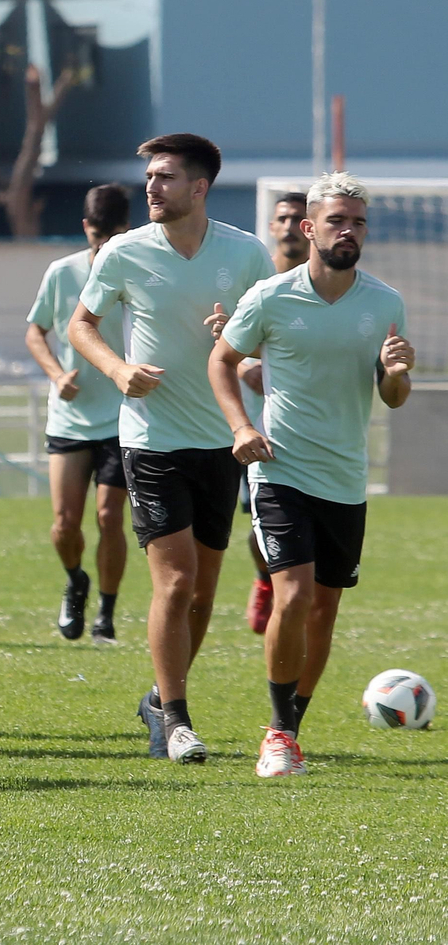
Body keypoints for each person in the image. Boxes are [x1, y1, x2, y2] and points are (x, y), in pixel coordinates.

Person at [69, 133, 273, 764]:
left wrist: (237, 341)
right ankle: (179, 721)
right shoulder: (125, 252)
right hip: (151, 439)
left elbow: (273, 339)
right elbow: (82, 325)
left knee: (205, 593)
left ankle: (160, 697)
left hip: (224, 441)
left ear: (199, 188)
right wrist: (116, 370)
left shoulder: (246, 255)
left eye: (164, 177)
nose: (151, 187)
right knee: (177, 581)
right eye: (149, 177)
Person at [209, 172, 411, 777]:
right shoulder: (272, 297)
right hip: (280, 469)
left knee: (324, 611)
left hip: (346, 477)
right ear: (309, 228)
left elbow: (393, 396)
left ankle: (293, 725)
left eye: (357, 222)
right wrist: (242, 428)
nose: (348, 231)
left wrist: (398, 373)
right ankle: (276, 734)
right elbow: (222, 361)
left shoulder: (385, 302)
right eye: (336, 221)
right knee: (292, 596)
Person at [25, 184, 131, 645]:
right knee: (66, 523)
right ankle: (76, 581)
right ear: (86, 228)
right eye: (96, 235)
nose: (103, 244)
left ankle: (106, 611)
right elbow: (35, 331)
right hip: (69, 418)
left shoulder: (138, 271)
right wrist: (55, 374)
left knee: (110, 516)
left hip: (123, 418)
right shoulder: (62, 272)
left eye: (112, 235)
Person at [241, 191, 310, 634]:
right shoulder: (254, 279)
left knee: (276, 527)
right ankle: (267, 580)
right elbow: (224, 338)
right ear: (272, 226)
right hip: (241, 424)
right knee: (254, 526)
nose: (288, 226)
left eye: (296, 219)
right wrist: (247, 364)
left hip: (298, 430)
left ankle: (277, 588)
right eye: (281, 218)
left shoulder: (323, 287)